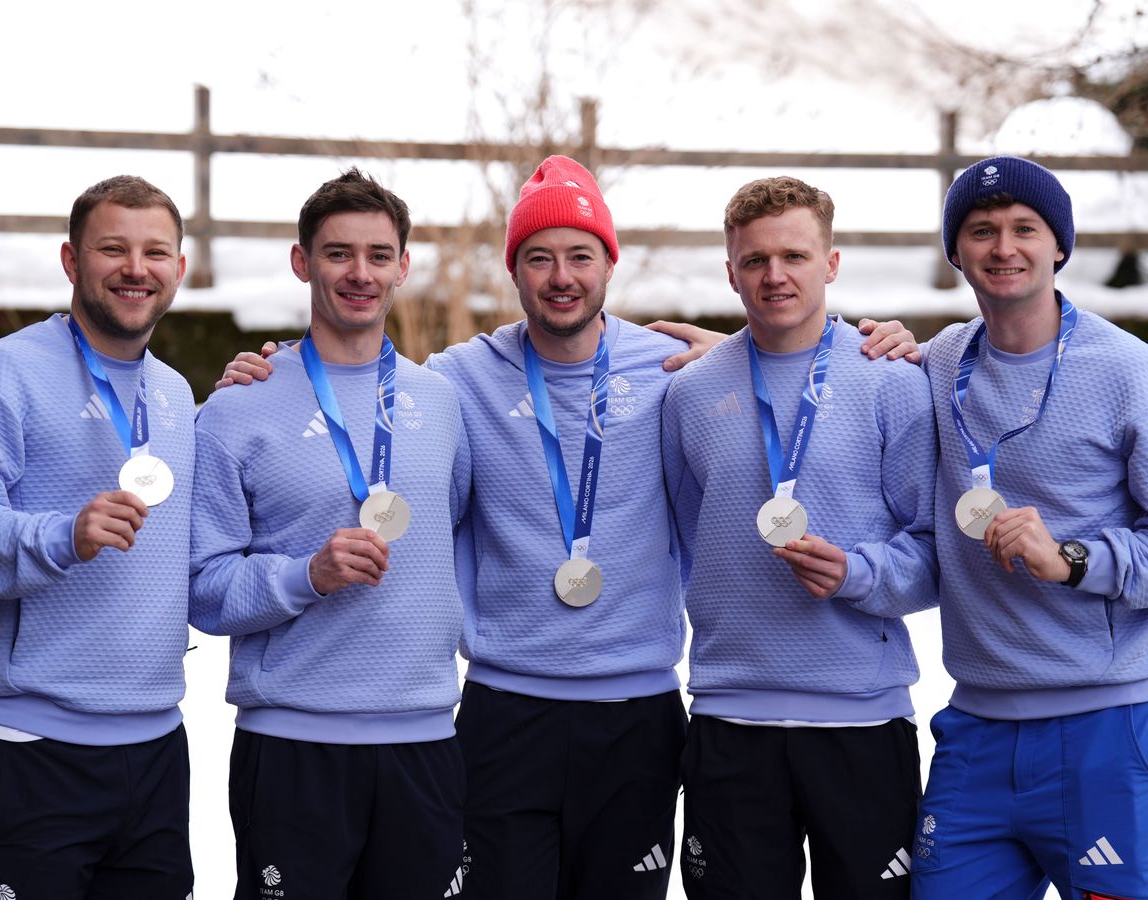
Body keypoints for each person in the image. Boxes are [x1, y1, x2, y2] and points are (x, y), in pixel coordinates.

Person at [216, 157, 921, 898]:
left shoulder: (673, 372)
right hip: (504, 708)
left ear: (608, 264)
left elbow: (774, 372)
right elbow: (363, 388)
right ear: (514, 271)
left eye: (581, 255)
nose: (562, 276)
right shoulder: (457, 381)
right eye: (539, 258)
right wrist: (275, 369)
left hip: (638, 711)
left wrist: (774, 355)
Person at [188, 169, 472, 899]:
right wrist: (304, 574)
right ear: (301, 261)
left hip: (424, 742)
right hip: (292, 747)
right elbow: (203, 589)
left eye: (379, 255)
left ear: (403, 267)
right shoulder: (237, 408)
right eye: (338, 253)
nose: (360, 273)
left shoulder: (440, 403)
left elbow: (458, 531)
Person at [661, 176, 938, 899]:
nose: (774, 275)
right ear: (730, 272)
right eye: (754, 261)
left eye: (794, 255)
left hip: (862, 723)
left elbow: (935, 551)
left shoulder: (891, 379)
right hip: (730, 722)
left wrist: (858, 573)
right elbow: (689, 541)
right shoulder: (690, 394)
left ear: (832, 263)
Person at [0, 176, 194, 899]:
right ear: (70, 260)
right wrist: (64, 534)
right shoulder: (0, 374)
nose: (135, 268)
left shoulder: (177, 394)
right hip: (24, 744)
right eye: (112, 248)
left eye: (155, 252)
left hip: (153, 745)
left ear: (179, 269)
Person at [910, 156, 1148, 898]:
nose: (1002, 248)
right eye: (981, 231)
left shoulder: (1127, 371)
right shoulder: (939, 362)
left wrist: (1073, 559)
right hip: (975, 730)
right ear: (957, 254)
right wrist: (722, 354)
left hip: (1105, 728)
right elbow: (824, 379)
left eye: (1024, 229)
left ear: (1059, 246)